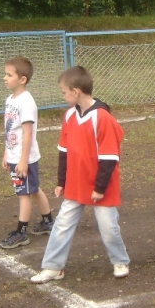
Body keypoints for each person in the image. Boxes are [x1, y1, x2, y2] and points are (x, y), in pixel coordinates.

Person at [30, 66, 130, 282]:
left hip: (101, 186)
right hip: (76, 184)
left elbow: (110, 157)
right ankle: (53, 266)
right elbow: (64, 151)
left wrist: (99, 188)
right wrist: (61, 181)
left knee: (108, 227)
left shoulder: (102, 118)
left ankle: (119, 260)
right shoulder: (68, 116)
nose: (63, 96)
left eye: (64, 92)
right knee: (63, 224)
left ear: (76, 92)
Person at [0, 56, 55, 249]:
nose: (4, 78)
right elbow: (11, 129)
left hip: (25, 158)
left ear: (22, 79)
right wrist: (7, 152)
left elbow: (28, 133)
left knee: (24, 193)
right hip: (15, 155)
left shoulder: (26, 102)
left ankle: (21, 232)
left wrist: (23, 160)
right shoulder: (10, 100)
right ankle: (48, 221)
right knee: (33, 188)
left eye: (9, 74)